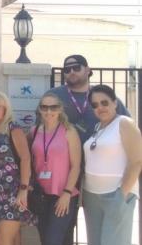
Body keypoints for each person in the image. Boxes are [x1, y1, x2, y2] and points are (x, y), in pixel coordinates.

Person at [45, 54, 130, 245]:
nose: (72, 72)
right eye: (67, 69)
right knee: (63, 229)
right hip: (65, 174)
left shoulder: (103, 98)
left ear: (88, 70)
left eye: (76, 67)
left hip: (102, 175)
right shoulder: (55, 96)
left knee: (108, 234)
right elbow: (40, 130)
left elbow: (128, 129)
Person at [82, 84, 142, 245]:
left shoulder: (124, 123)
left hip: (116, 194)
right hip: (91, 196)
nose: (100, 107)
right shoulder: (97, 128)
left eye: (104, 102)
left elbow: (137, 161)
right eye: (95, 105)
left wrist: (121, 194)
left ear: (115, 103)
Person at [0, 91, 36, 245]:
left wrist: (23, 190)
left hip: (14, 192)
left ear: (5, 109)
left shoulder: (13, 129)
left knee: (2, 238)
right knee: (13, 238)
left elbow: (26, 159)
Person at [30, 93, 81, 245]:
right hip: (40, 196)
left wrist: (67, 193)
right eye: (44, 107)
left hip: (64, 195)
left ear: (60, 109)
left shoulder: (69, 131)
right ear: (39, 109)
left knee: (53, 241)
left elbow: (76, 166)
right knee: (46, 239)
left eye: (53, 107)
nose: (49, 111)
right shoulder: (33, 132)